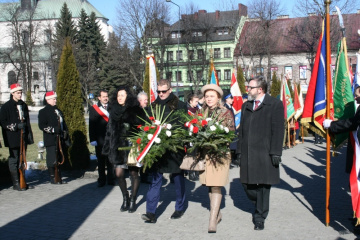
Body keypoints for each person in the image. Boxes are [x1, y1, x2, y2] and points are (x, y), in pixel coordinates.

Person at [236, 76, 284, 230]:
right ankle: (260, 202)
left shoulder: (275, 104)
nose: (247, 90)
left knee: (263, 185)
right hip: (248, 152)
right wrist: (239, 150)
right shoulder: (246, 106)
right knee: (245, 183)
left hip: (265, 152)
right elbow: (242, 131)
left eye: (250, 87)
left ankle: (260, 217)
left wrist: (276, 152)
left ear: (260, 89)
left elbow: (278, 130)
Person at [141, 79, 187, 223]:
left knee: (178, 177)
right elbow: (147, 124)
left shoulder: (180, 105)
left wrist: (168, 128)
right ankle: (151, 212)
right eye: (159, 91)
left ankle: (179, 207)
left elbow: (182, 124)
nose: (161, 94)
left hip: (174, 148)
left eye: (164, 91)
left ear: (170, 90)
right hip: (158, 147)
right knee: (156, 179)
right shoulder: (153, 106)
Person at [199, 84, 235, 233]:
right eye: (207, 96)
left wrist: (219, 139)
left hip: (219, 154)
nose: (209, 99)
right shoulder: (201, 112)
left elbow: (232, 133)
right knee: (209, 184)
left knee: (216, 185)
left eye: (212, 96)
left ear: (218, 98)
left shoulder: (225, 112)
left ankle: (212, 220)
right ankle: (217, 213)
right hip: (205, 154)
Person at [102, 86, 143, 213]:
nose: (120, 97)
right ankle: (125, 197)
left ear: (128, 96)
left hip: (132, 146)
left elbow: (141, 126)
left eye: (122, 95)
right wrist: (107, 147)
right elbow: (109, 130)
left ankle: (133, 200)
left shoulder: (135, 109)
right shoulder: (113, 110)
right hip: (118, 146)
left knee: (133, 174)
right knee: (119, 174)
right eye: (118, 95)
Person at [0, 83, 34, 190]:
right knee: (14, 158)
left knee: (22, 158)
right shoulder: (6, 107)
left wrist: (29, 135)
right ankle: (16, 183)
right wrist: (15, 126)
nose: (20, 95)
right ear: (12, 93)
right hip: (12, 137)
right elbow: (3, 122)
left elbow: (27, 121)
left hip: (23, 136)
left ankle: (22, 179)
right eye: (18, 93)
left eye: (20, 93)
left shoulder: (23, 105)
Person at [38, 91, 69, 184]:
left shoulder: (58, 111)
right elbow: (41, 125)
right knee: (52, 158)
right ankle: (53, 177)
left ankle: (58, 176)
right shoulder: (43, 111)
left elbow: (63, 124)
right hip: (50, 138)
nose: (55, 100)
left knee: (59, 158)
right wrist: (53, 130)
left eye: (55, 99)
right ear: (48, 100)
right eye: (53, 99)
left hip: (60, 139)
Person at [89, 90, 114, 187]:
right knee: (101, 161)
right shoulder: (94, 109)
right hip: (100, 139)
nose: (105, 98)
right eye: (103, 96)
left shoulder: (112, 107)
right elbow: (92, 125)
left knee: (110, 160)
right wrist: (92, 139)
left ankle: (111, 179)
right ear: (99, 98)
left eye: (107, 96)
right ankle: (101, 180)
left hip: (110, 139)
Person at [136, 91, 151, 184]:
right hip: (138, 137)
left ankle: (145, 176)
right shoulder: (136, 111)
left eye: (147, 99)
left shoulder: (149, 110)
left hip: (148, 136)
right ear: (139, 100)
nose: (146, 101)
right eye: (144, 100)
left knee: (146, 157)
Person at [186, 93, 200, 181]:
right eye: (195, 101)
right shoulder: (187, 111)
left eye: (198, 102)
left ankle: (197, 171)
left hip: (198, 134)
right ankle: (191, 172)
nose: (197, 103)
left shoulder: (198, 110)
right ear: (190, 101)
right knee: (191, 154)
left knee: (197, 154)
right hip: (190, 135)